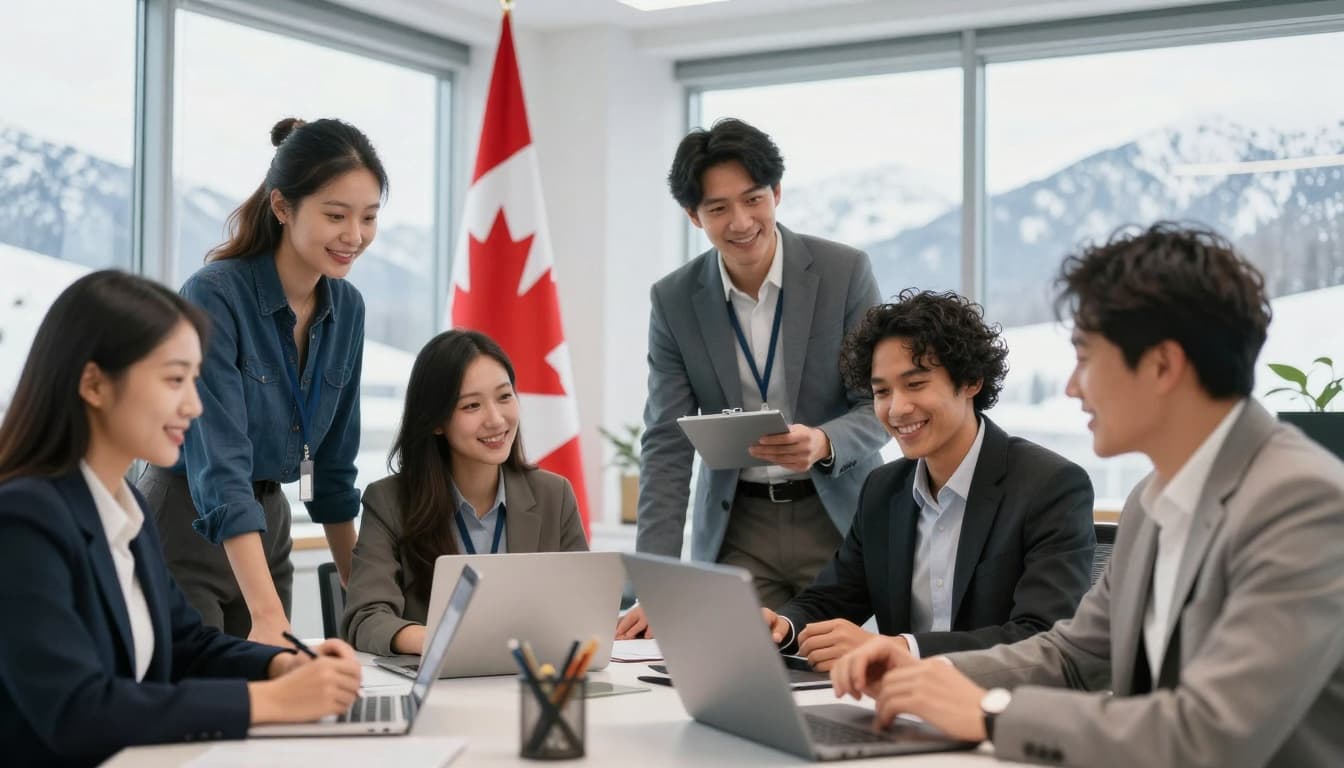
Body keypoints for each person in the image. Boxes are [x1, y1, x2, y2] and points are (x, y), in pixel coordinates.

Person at [830, 223, 1344, 768]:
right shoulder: (1153, 499)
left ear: (1162, 366)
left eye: (1086, 357)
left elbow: (1211, 735)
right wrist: (921, 671)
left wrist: (993, 713)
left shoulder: (1304, 502)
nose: (1074, 386)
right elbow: (1074, 655)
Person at [0, 271, 363, 766]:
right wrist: (271, 702)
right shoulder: (22, 520)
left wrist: (282, 664)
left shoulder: (125, 507)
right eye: (174, 379)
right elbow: (78, 711)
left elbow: (184, 643)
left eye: (195, 379)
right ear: (94, 384)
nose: (194, 405)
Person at [618, 118, 888, 638]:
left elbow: (879, 403)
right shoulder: (674, 300)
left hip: (836, 517)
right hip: (737, 525)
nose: (741, 222)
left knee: (836, 672)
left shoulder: (844, 272)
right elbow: (666, 444)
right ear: (693, 216)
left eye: (753, 199)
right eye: (718, 208)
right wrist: (658, 581)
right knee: (735, 671)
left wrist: (825, 440)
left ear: (777, 192)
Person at [137, 117, 384, 645]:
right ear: (281, 207)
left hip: (268, 526)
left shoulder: (348, 308)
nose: (354, 236)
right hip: (186, 518)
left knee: (270, 704)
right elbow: (219, 463)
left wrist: (362, 594)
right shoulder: (215, 295)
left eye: (368, 217)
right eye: (336, 215)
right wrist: (268, 617)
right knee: (203, 706)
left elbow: (334, 469)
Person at [761, 289, 1094, 670]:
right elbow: (831, 598)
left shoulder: (1051, 486)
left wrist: (902, 650)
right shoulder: (883, 488)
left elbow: (1039, 636)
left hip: (995, 710)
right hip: (897, 709)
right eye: (882, 391)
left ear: (971, 381)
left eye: (915, 384)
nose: (897, 408)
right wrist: (781, 627)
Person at [343, 330, 587, 656]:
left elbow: (583, 609)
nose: (497, 419)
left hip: (531, 681)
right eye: (472, 405)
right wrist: (443, 641)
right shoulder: (389, 502)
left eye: (504, 397)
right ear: (436, 421)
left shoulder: (553, 495)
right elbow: (366, 618)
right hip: (438, 685)